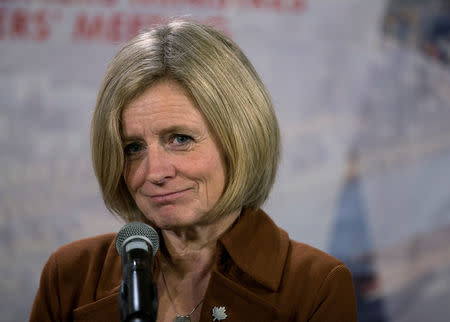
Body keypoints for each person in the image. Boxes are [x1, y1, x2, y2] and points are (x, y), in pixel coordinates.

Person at [30, 19, 357, 322]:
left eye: (180, 139)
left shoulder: (316, 286)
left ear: (240, 139)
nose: (154, 172)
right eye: (133, 148)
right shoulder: (70, 276)